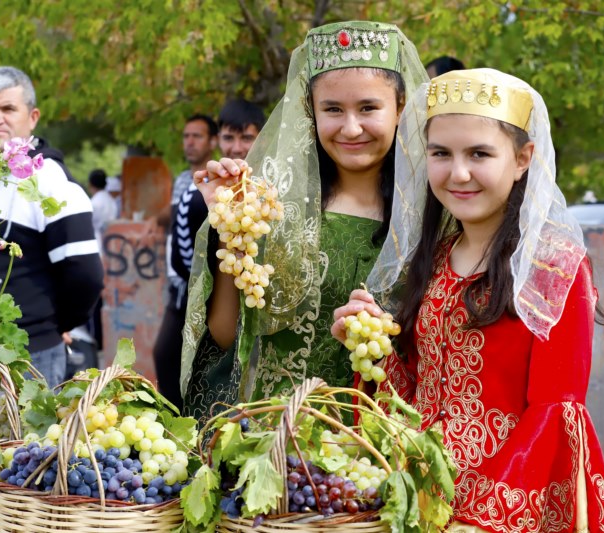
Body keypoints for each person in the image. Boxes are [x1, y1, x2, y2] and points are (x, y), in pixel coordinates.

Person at [332, 69, 604, 532]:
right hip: (414, 499)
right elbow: (411, 395)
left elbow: (553, 418)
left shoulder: (554, 270)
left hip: (501, 512)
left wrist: (477, 520)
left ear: (523, 158)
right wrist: (372, 350)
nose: (458, 173)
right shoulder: (435, 260)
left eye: (479, 154)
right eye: (441, 154)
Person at [180, 21, 428, 421]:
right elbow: (227, 333)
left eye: (368, 108)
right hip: (274, 443)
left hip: (380, 446)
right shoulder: (270, 205)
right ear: (310, 112)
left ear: (400, 107)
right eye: (332, 109)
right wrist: (230, 228)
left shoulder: (430, 218)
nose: (351, 128)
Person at [0, 66, 104, 387]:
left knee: (26, 439)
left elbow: (86, 274)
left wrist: (55, 324)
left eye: (8, 108)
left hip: (30, 355)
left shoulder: (51, 180)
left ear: (33, 117)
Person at [152, 114, 218, 408]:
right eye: (186, 136)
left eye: (197, 136)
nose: (189, 142)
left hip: (200, 291)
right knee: (167, 358)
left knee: (181, 359)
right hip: (176, 287)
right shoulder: (182, 180)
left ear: (212, 142)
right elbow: (174, 214)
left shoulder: (217, 181)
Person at [88, 168, 118, 248]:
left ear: (90, 184)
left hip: (96, 242)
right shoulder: (111, 200)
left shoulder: (94, 202)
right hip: (110, 241)